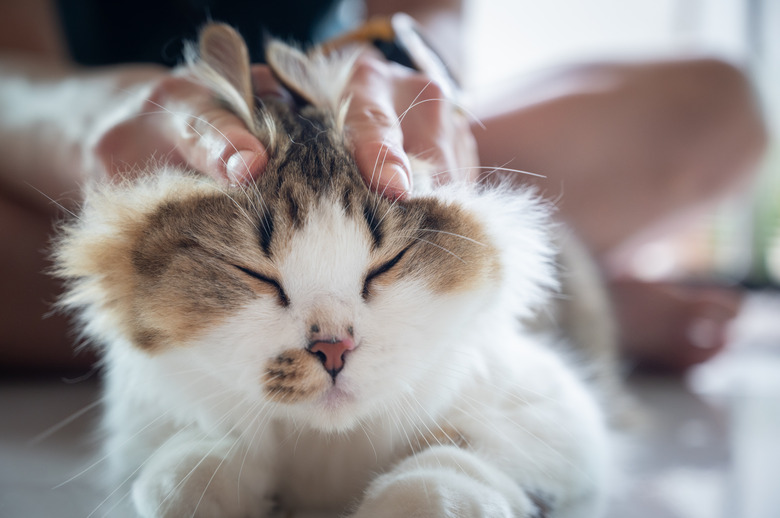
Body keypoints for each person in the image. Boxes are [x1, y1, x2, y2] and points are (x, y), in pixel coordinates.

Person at [0, 0, 767, 374]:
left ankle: (213, 317)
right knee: (98, 254)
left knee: (718, 108)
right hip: (68, 171)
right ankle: (529, 309)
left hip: (342, 158)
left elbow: (428, 25)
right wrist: (94, 125)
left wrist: (417, 101)